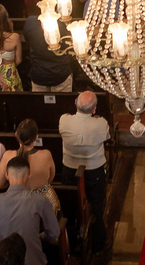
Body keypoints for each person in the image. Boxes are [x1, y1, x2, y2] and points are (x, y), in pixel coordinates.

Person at [59, 91, 110, 250]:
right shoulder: (100, 123)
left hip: (69, 169)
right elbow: (106, 137)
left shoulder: (64, 120)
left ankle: (71, 242)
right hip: (93, 170)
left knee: (69, 205)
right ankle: (99, 242)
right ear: (94, 109)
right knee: (97, 205)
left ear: (75, 102)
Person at [0, 156, 60, 265]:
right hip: (34, 261)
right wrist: (37, 236)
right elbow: (54, 233)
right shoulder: (40, 200)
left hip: (3, 261)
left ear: (6, 175)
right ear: (29, 175)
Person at [0, 119, 60, 213]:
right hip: (42, 206)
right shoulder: (46, 155)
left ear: (16, 135)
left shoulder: (8, 156)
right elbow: (50, 179)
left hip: (17, 206)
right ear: (36, 137)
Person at [23, 8, 73, 92]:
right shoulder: (64, 23)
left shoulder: (30, 22)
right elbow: (70, 44)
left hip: (40, 74)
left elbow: (27, 39)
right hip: (59, 74)